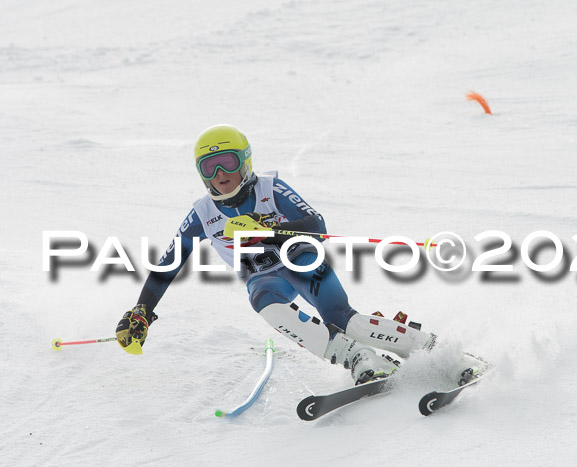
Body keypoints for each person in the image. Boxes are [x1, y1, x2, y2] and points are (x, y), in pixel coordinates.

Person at [116, 124, 483, 385]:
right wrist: (142, 311)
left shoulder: (269, 188)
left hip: (301, 260)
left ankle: (445, 354)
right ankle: (359, 360)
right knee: (263, 302)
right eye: (209, 167)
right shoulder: (202, 214)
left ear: (244, 162)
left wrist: (265, 227)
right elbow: (166, 266)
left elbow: (316, 223)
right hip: (266, 278)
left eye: (227, 162)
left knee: (344, 319)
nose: (221, 174)